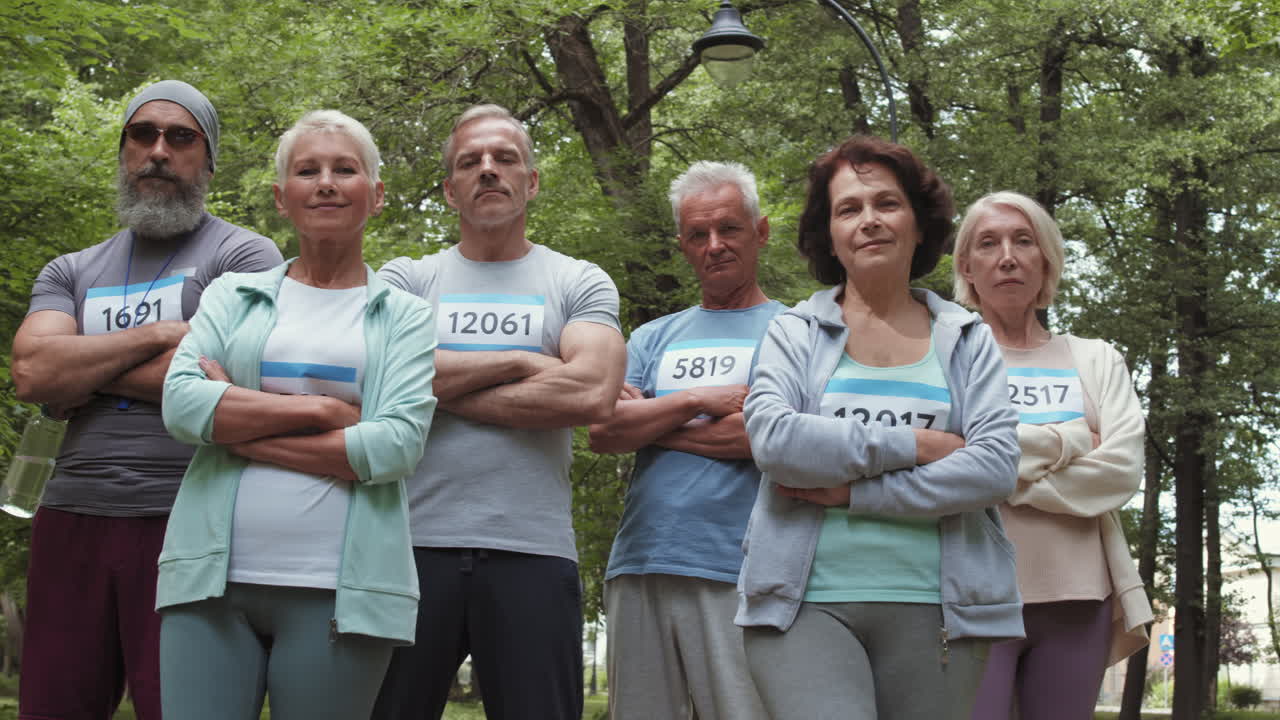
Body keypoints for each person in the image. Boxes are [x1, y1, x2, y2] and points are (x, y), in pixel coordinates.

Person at [9, 80, 283, 720]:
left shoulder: (243, 254)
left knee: (185, 708)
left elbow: (231, 380)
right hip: (70, 513)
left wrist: (83, 368)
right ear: (124, 151)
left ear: (207, 161)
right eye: (143, 134)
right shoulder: (69, 270)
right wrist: (164, 335)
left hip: (192, 516)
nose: (159, 150)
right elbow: (31, 371)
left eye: (181, 137)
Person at [157, 109, 437, 720]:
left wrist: (237, 426)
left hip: (343, 593)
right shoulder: (233, 294)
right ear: (283, 198)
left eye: (345, 169)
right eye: (307, 171)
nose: (326, 182)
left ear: (377, 194)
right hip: (209, 582)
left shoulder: (408, 317)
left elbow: (393, 448)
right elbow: (182, 405)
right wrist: (324, 411)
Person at [736, 135, 1023, 720]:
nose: (869, 221)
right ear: (831, 236)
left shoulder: (967, 339)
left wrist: (856, 493)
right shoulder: (795, 333)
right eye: (849, 209)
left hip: (943, 607)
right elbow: (777, 442)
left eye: (886, 204)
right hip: (803, 605)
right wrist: (921, 444)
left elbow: (993, 467)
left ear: (919, 225)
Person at [373, 104, 626, 720]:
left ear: (531, 181)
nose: (488, 171)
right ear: (449, 188)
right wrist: (524, 359)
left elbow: (592, 392)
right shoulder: (406, 280)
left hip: (532, 553)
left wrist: (434, 383)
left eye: (505, 158)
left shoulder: (577, 280)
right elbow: (377, 380)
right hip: (406, 550)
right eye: (471, 162)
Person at [588, 161, 780, 720]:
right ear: (683, 244)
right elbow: (603, 430)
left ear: (760, 232)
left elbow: (762, 435)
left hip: (737, 566)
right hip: (638, 562)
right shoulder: (652, 335)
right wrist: (697, 402)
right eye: (699, 234)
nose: (715, 245)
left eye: (730, 229)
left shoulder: (794, 330)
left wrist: (652, 422)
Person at [955, 191, 1152, 720]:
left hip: (1079, 598)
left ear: (1046, 260)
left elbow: (1120, 472)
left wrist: (996, 470)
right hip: (970, 596)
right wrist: (1073, 440)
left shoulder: (1098, 359)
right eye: (989, 243)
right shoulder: (946, 358)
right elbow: (945, 461)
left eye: (1024, 241)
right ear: (967, 267)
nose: (1008, 256)